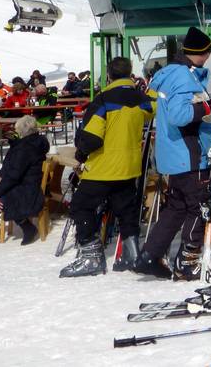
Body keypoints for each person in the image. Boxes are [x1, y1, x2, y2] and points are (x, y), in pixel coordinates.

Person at [133, 26, 211, 281]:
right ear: (204, 52)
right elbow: (180, 115)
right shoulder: (183, 76)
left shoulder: (170, 73)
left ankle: (150, 256)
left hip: (174, 154)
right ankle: (188, 261)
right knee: (199, 207)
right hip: (189, 154)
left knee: (177, 207)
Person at [59, 57, 155, 278]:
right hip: (129, 166)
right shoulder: (141, 99)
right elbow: (156, 105)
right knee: (126, 210)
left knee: (80, 207)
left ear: (109, 75)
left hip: (103, 168)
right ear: (129, 73)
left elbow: (91, 137)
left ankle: (91, 256)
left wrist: (81, 153)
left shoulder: (103, 100)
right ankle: (131, 253)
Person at [0, 116, 50, 245]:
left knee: (0, 199)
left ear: (22, 131)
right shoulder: (34, 142)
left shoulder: (25, 148)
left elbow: (14, 174)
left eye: (17, 130)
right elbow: (11, 167)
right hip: (27, 182)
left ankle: (28, 227)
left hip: (26, 187)